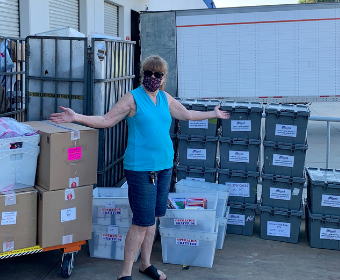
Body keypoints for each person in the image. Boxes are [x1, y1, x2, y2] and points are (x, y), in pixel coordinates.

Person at [50, 55, 229, 280]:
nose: (152, 78)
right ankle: (125, 273)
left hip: (164, 167)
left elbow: (187, 114)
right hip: (141, 169)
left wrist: (212, 114)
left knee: (153, 218)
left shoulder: (165, 98)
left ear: (164, 78)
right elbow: (106, 120)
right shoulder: (132, 99)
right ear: (143, 75)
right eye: (148, 73)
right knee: (141, 222)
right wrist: (76, 117)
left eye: (157, 75)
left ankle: (145, 264)